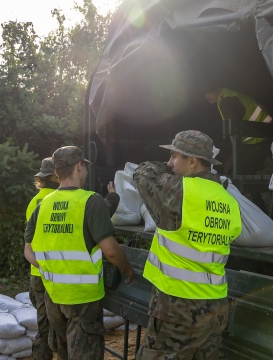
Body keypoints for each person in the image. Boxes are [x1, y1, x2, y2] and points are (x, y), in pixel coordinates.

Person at [133, 130, 243, 359]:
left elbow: (142, 174)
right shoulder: (229, 200)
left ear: (192, 161)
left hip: (176, 309)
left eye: (175, 156)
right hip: (215, 308)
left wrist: (164, 167)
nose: (170, 163)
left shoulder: (179, 190)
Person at [23, 146, 134, 360]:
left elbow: (28, 251)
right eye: (84, 166)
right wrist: (127, 269)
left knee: (64, 353)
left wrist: (50, 269)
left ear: (56, 173)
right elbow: (111, 251)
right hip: (83, 299)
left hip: (53, 296)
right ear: (79, 166)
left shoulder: (42, 204)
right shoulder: (89, 201)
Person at [25, 157, 59, 360]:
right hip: (55, 273)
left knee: (43, 323)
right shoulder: (57, 199)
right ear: (56, 176)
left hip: (36, 272)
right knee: (60, 325)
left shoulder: (34, 201)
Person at [204, 87, 273, 175]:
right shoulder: (230, 94)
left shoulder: (225, 100)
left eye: (208, 92)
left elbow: (233, 131)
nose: (206, 97)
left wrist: (237, 156)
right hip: (267, 136)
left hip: (262, 141)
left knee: (230, 170)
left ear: (217, 88)